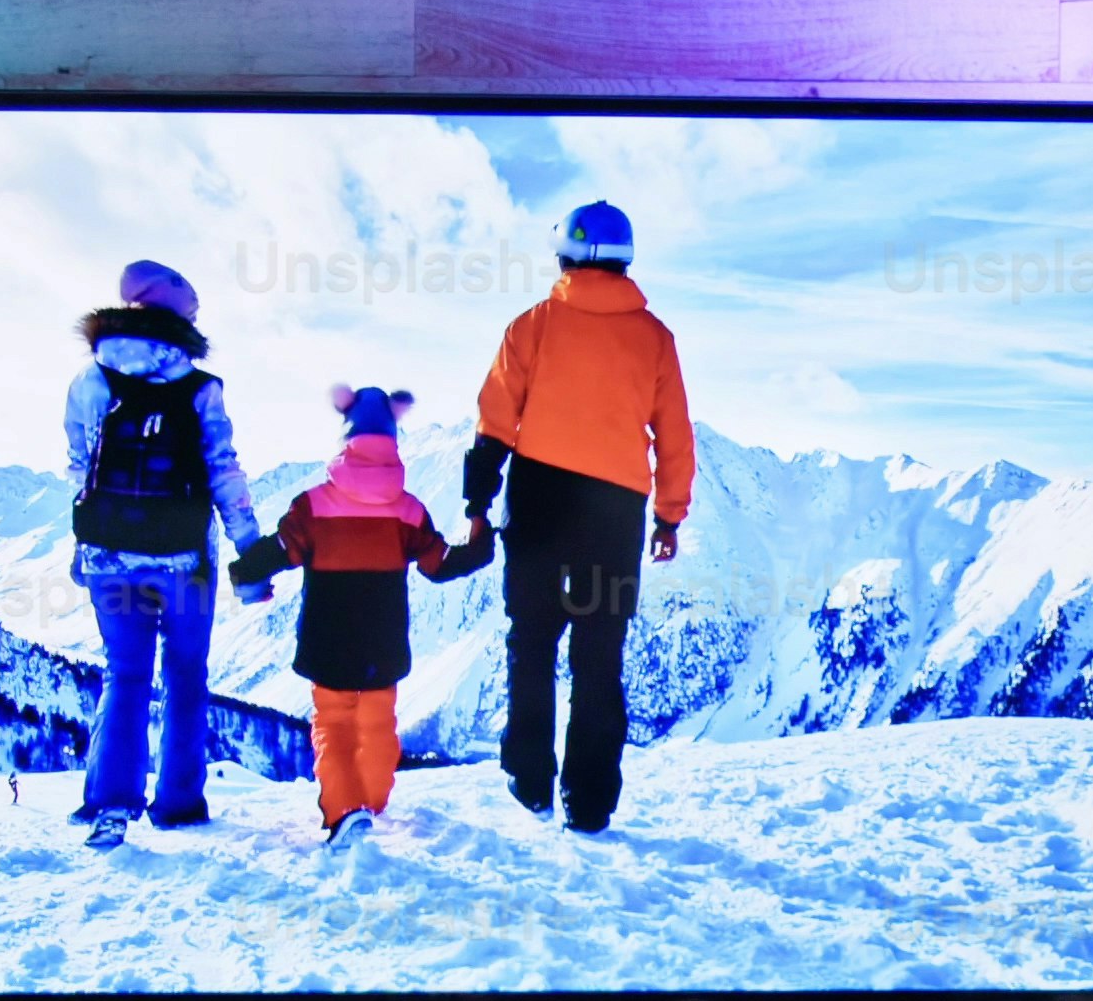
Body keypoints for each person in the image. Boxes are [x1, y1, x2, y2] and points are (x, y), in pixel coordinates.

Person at [460, 196, 690, 837]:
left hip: (539, 501)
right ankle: (589, 803)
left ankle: (529, 776)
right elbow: (674, 436)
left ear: (565, 253)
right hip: (614, 514)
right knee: (599, 655)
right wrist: (668, 518)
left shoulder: (531, 326)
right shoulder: (655, 340)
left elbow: (495, 422)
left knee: (530, 641)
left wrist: (477, 503)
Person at [226, 381, 495, 840]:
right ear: (393, 443)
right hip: (382, 646)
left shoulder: (313, 506)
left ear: (345, 440)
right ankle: (370, 802)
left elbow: (279, 550)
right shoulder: (408, 512)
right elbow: (438, 564)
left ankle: (346, 810)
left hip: (326, 643)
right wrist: (480, 546)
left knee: (333, 727)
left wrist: (243, 574)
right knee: (377, 727)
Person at [62, 259, 250, 838]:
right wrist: (251, 547)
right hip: (184, 559)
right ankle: (178, 805)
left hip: (108, 554)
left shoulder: (90, 381)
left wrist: (87, 542)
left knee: (126, 675)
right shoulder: (200, 388)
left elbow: (79, 464)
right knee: (187, 675)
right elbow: (223, 471)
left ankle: (110, 804)